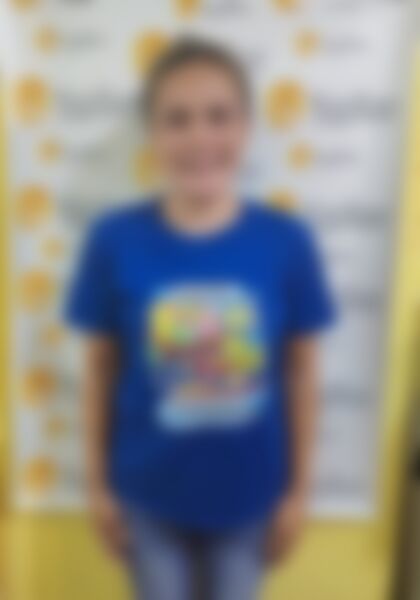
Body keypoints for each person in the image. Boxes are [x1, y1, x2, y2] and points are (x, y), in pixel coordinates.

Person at [66, 37, 335, 600]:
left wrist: (299, 492)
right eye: (177, 119)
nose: (199, 137)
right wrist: (96, 487)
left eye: (218, 116)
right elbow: (98, 370)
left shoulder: (286, 241)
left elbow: (303, 372)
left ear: (246, 127)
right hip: (147, 498)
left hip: (250, 500)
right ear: (152, 134)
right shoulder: (114, 240)